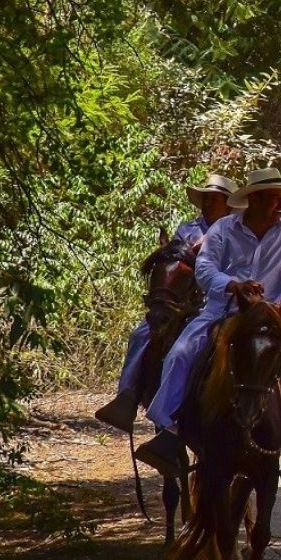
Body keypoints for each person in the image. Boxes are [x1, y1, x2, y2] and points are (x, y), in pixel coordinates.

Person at [138, 167, 281, 484]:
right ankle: (169, 433)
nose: (279, 205)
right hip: (221, 312)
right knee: (181, 354)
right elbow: (204, 268)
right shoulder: (224, 229)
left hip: (269, 318)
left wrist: (280, 307)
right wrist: (233, 286)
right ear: (252, 200)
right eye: (272, 199)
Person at [93, 174, 235, 429]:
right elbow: (172, 261)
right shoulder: (187, 230)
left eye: (214, 199)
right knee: (142, 333)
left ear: (228, 204)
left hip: (219, 301)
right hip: (183, 301)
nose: (208, 204)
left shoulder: (236, 233)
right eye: (205, 199)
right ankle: (128, 396)